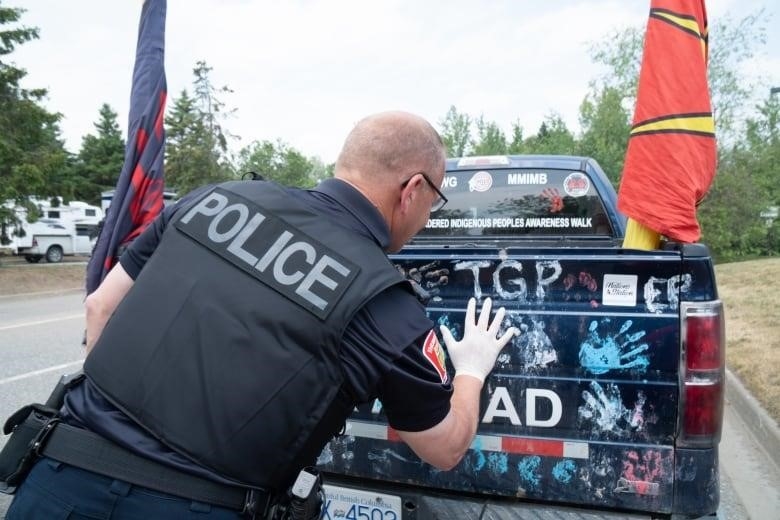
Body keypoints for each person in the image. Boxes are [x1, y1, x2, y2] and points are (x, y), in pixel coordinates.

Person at [6, 111, 518, 519]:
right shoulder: (382, 301)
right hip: (196, 505)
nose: (427, 218)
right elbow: (444, 446)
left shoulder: (213, 201)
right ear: (411, 190)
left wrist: (115, 418)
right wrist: (471, 369)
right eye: (434, 201)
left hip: (60, 474)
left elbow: (100, 304)